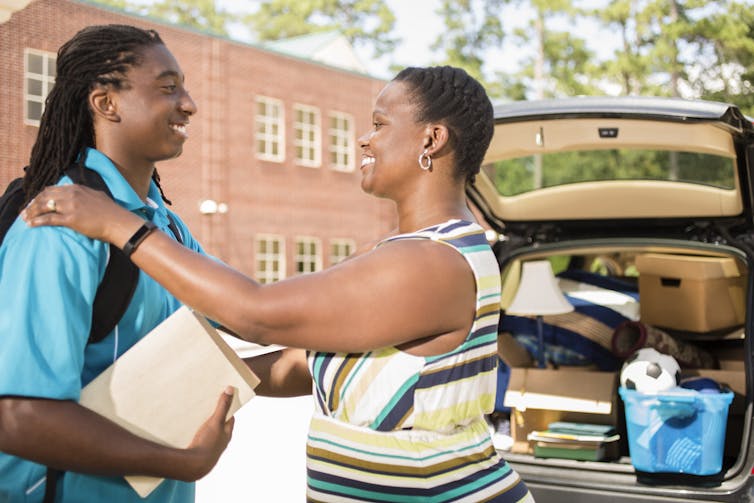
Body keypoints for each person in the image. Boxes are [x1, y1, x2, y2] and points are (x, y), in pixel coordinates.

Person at [24, 65, 535, 502]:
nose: (365, 138)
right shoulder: (407, 253)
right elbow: (302, 363)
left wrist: (118, 225)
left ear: (431, 138)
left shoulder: (431, 263)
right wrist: (165, 387)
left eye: (379, 124)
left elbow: (259, 314)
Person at [0, 25, 235, 502]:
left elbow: (244, 313)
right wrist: (182, 463)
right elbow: (21, 417)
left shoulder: (162, 226)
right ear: (106, 103)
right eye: (168, 88)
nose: (188, 104)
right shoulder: (59, 223)